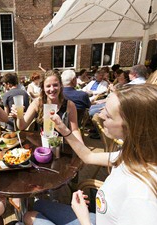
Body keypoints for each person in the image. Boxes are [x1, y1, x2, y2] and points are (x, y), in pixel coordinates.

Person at [24, 84, 157, 225]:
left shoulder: (142, 195)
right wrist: (63, 129)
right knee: (39, 205)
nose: (99, 115)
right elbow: (88, 156)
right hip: (98, 218)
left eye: (109, 115)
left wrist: (84, 217)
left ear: (132, 126)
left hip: (89, 221)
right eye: (104, 108)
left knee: (29, 217)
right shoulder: (132, 154)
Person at [14, 70, 83, 143]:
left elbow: (74, 130)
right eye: (48, 86)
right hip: (42, 146)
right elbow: (22, 126)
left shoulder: (69, 105)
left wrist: (82, 147)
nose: (52, 89)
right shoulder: (37, 103)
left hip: (60, 145)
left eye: (55, 85)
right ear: (43, 87)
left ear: (61, 86)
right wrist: (19, 115)